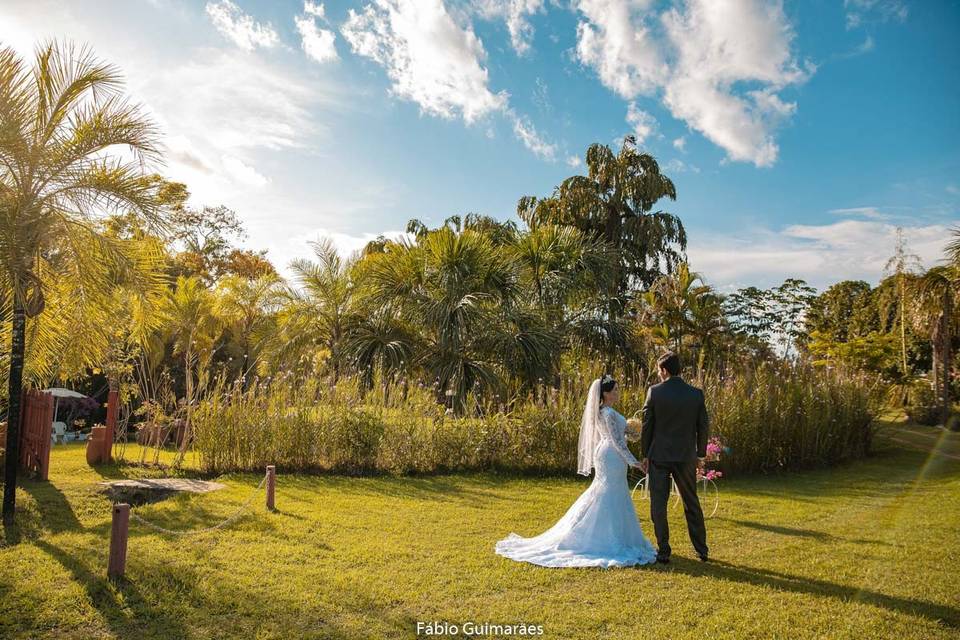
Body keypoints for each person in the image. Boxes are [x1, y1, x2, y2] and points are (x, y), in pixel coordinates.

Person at [494, 375, 657, 568]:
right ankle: (603, 538)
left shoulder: (605, 412)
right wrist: (635, 462)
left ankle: (613, 535)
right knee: (609, 493)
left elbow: (617, 438)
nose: (617, 393)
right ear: (604, 393)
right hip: (612, 455)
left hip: (608, 453)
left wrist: (630, 431)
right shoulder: (608, 414)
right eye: (614, 390)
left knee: (606, 492)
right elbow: (617, 443)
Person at [640, 351, 710, 563]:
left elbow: (646, 426)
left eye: (658, 370)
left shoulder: (654, 392)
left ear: (664, 370)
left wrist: (645, 455)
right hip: (686, 456)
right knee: (691, 502)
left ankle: (663, 550)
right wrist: (700, 455)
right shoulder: (696, 394)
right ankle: (702, 550)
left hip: (659, 455)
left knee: (658, 503)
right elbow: (703, 427)